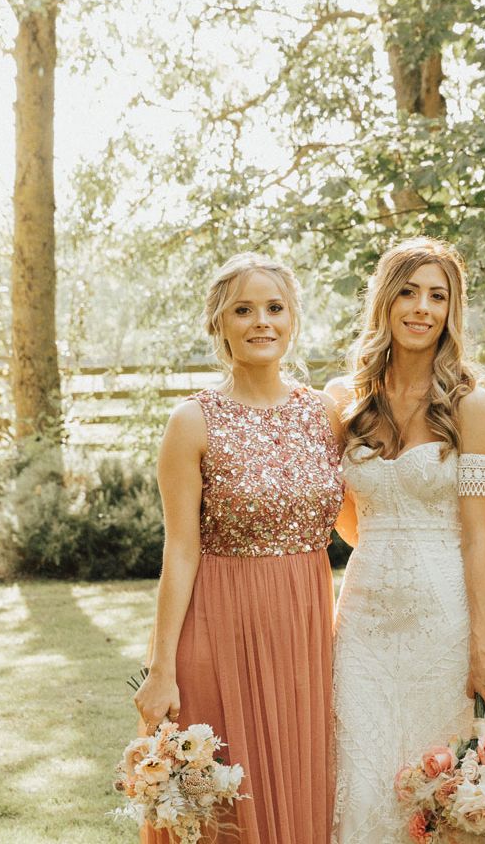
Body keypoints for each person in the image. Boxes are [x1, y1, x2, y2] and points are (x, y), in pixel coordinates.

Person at [133, 254, 344, 843]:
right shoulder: (192, 421)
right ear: (218, 323)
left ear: (293, 318)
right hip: (219, 629)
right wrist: (162, 668)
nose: (262, 322)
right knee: (224, 803)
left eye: (275, 308)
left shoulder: (325, 415)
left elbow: (365, 515)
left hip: (303, 633)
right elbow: (179, 551)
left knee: (300, 786)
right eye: (243, 310)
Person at [327, 238, 485, 844]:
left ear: (451, 311)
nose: (422, 308)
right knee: (362, 768)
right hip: (362, 624)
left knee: (437, 781)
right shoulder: (344, 404)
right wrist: (382, 549)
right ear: (384, 300)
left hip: (443, 619)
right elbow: (345, 518)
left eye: (438, 296)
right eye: (408, 291)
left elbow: (477, 538)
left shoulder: (470, 406)